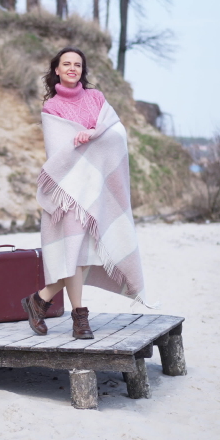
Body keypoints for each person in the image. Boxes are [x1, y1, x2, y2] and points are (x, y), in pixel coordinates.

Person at [21, 47, 147, 340]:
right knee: (73, 253)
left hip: (96, 190)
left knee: (80, 254)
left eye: (77, 65)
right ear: (57, 70)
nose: (72, 68)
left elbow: (116, 133)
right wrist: (90, 137)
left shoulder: (96, 98)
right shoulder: (51, 108)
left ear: (82, 70)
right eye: (66, 64)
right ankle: (80, 318)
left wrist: (91, 134)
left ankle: (39, 301)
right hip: (69, 192)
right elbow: (60, 154)